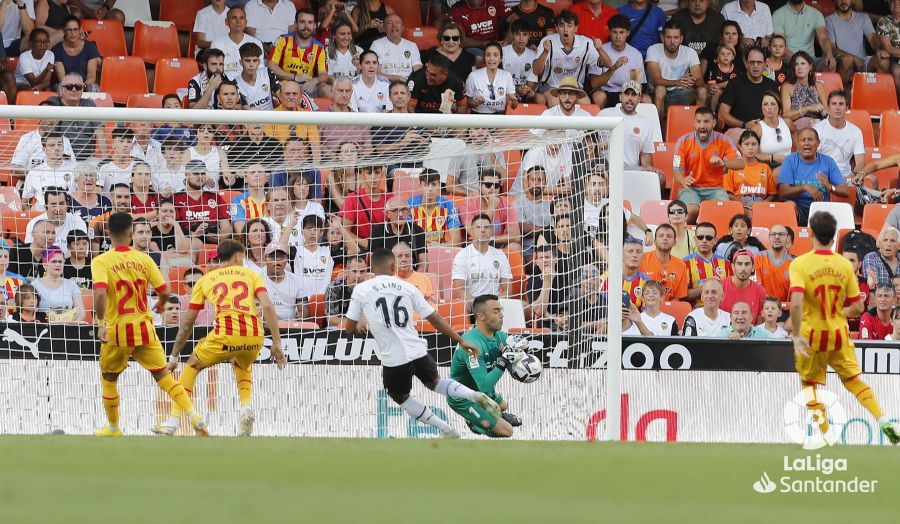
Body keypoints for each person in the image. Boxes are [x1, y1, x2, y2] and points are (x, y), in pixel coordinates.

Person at [346, 249, 500, 439]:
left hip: (394, 358)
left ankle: (446, 429)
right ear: (393, 267)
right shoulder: (408, 288)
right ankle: (473, 395)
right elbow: (434, 318)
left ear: (371, 268)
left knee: (399, 396)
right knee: (435, 382)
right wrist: (460, 340)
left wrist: (363, 322)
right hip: (418, 350)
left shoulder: (362, 289)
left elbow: (349, 329)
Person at [91, 212, 208, 437]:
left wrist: (100, 323)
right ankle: (194, 416)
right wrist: (162, 305)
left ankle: (114, 429)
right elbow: (165, 290)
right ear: (131, 234)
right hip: (144, 328)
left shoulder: (101, 261)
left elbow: (98, 294)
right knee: (164, 376)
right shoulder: (144, 259)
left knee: (109, 378)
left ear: (108, 233)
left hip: (117, 330)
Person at [154, 239, 286, 437]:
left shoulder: (206, 280)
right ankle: (245, 407)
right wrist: (276, 344)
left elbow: (188, 322)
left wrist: (173, 356)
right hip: (254, 335)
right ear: (238, 257)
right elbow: (267, 306)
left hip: (225, 334)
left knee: (191, 366)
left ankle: (173, 421)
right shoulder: (252, 275)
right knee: (242, 363)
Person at [789, 210, 899, 445]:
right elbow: (859, 306)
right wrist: (838, 313)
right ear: (834, 238)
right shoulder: (843, 264)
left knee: (810, 388)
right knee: (854, 381)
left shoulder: (800, 264)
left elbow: (796, 302)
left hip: (812, 335)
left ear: (810, 233)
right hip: (839, 334)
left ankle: (830, 437)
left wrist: (797, 333)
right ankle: (882, 420)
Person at [448, 294, 530, 438]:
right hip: (462, 397)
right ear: (481, 316)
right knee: (507, 431)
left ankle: (488, 416)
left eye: (501, 310)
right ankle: (474, 423)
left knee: (503, 406)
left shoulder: (501, 336)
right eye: (496, 311)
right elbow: (484, 386)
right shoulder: (471, 345)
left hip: (484, 395)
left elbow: (512, 369)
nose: (502, 315)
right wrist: (504, 361)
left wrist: (522, 364)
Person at [673, 107, 744, 223]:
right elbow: (676, 171)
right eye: (698, 121)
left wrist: (723, 163)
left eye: (706, 121)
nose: (702, 125)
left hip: (715, 189)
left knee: (724, 211)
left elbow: (741, 163)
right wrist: (683, 179)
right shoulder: (683, 141)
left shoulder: (724, 140)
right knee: (691, 212)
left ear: (714, 123)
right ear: (694, 123)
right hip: (690, 188)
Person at [533, 10, 611, 107]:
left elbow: (608, 64)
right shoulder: (548, 41)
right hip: (550, 86)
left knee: (585, 104)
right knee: (556, 103)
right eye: (561, 26)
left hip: (575, 87)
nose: (565, 30)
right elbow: (536, 71)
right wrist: (545, 52)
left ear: (576, 28)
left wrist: (600, 49)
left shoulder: (586, 43)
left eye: (569, 26)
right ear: (556, 28)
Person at [777, 128, 849, 225]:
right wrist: (805, 187)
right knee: (789, 206)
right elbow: (782, 192)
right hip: (798, 210)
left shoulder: (828, 162)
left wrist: (829, 186)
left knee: (848, 210)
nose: (806, 143)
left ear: (818, 143)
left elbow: (845, 191)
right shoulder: (790, 161)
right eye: (803, 140)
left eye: (810, 139)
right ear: (798, 144)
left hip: (821, 211)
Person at [717, 48, 780, 141]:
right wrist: (743, 125)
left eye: (759, 62)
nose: (755, 66)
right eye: (752, 62)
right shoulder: (734, 84)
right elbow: (722, 114)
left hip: (765, 132)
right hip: (739, 131)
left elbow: (779, 113)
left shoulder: (772, 85)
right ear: (746, 63)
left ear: (765, 64)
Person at [646, 20, 704, 114]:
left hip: (681, 92)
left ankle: (699, 126)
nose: (672, 41)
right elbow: (656, 80)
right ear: (663, 38)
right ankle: (658, 127)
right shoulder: (653, 50)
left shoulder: (690, 52)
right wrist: (678, 82)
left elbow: (700, 80)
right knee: (660, 89)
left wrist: (691, 81)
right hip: (659, 93)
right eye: (668, 37)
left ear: (681, 39)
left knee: (702, 91)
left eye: (676, 37)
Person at [597, 81, 656, 172]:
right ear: (620, 96)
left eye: (634, 95)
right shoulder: (604, 114)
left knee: (660, 178)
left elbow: (645, 156)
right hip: (605, 168)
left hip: (630, 170)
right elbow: (589, 143)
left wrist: (648, 168)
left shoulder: (646, 123)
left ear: (639, 98)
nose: (630, 98)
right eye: (627, 94)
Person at [268, 9, 328, 97]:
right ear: (295, 24)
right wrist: (295, 77)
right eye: (302, 22)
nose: (306, 26)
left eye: (310, 22)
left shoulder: (319, 47)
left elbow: (324, 75)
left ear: (314, 25)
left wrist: (315, 81)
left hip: (307, 86)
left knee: (326, 90)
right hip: (284, 85)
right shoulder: (283, 40)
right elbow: (271, 66)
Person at [452, 214, 512, 301]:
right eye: (478, 227)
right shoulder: (462, 256)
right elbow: (460, 291)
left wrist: (495, 304)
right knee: (464, 305)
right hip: (472, 304)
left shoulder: (500, 255)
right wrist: (480, 305)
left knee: (524, 307)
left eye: (486, 227)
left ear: (491, 231)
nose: (483, 230)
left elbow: (508, 289)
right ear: (471, 231)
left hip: (495, 304)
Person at [828, 0, 888, 87]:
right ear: (834, 1)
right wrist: (854, 58)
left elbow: (872, 37)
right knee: (847, 59)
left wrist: (879, 50)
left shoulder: (863, 17)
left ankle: (877, 92)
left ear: (852, 1)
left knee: (883, 60)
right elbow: (832, 48)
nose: (843, 1)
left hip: (863, 61)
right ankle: (842, 93)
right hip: (841, 62)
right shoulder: (829, 20)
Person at [590, 15, 646, 108]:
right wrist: (614, 68)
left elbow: (637, 84)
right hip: (605, 92)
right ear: (609, 32)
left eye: (622, 32)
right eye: (615, 32)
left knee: (646, 99)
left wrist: (627, 95)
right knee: (599, 97)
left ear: (628, 33)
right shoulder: (600, 50)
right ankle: (599, 123)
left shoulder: (635, 54)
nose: (618, 36)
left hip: (627, 93)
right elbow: (594, 84)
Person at [49, 72, 106, 160]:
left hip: (87, 160)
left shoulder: (88, 104)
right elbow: (44, 131)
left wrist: (106, 160)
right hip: (59, 159)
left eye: (78, 87)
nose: (74, 89)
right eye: (69, 86)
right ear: (61, 88)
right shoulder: (53, 103)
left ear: (83, 89)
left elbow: (100, 134)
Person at [172, 160, 233, 244]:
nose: (200, 177)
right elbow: (172, 226)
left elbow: (226, 226)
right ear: (186, 174)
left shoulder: (215, 197)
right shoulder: (175, 198)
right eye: (196, 173)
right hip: (187, 243)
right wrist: (193, 235)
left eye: (203, 173)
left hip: (214, 244)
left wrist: (220, 237)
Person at [813, 90, 866, 181]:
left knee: (872, 179)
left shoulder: (855, 131)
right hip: (822, 175)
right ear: (828, 107)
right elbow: (814, 158)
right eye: (834, 104)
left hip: (847, 175)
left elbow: (860, 161)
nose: (837, 108)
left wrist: (854, 175)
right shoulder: (817, 129)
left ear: (846, 108)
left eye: (841, 104)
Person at [459, 170, 520, 249]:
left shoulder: (506, 204)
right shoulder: (467, 205)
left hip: (497, 243)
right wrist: (492, 207)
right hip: (475, 246)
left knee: (515, 246)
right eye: (488, 185)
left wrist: (491, 239)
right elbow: (475, 233)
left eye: (496, 185)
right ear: (480, 185)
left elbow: (516, 236)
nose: (492, 188)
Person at [773, 0, 837, 72]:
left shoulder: (816, 14)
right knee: (798, 66)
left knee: (830, 65)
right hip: (788, 58)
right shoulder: (778, 14)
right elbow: (780, 44)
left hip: (810, 58)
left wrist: (829, 54)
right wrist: (798, 61)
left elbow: (823, 38)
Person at [723, 130, 777, 213]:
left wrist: (762, 204)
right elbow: (727, 194)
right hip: (739, 203)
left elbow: (772, 194)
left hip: (760, 204)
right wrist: (744, 202)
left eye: (754, 144)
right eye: (746, 144)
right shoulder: (732, 167)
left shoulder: (765, 168)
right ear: (740, 147)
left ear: (758, 146)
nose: (750, 147)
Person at [22, 131, 76, 212]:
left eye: (60, 144)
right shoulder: (34, 173)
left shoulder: (75, 170)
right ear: (44, 149)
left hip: (68, 216)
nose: (57, 148)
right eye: (52, 145)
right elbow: (25, 204)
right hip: (43, 218)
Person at [24, 188, 89, 256]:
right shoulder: (34, 224)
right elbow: (30, 254)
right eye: (53, 205)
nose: (58, 209)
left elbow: (83, 254)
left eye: (61, 204)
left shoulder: (77, 222)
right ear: (46, 207)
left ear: (67, 205)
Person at [408, 169, 463, 247]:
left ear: (439, 185)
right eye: (426, 185)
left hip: (440, 252)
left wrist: (440, 246)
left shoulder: (448, 205)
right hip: (417, 250)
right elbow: (407, 238)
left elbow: (457, 241)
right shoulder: (410, 204)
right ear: (420, 185)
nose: (430, 189)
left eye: (434, 184)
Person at [684, 222, 732, 304]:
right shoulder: (685, 264)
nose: (704, 241)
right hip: (696, 313)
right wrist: (708, 286)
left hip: (721, 312)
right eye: (700, 237)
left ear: (715, 240)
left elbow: (732, 291)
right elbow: (683, 295)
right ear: (695, 239)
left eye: (708, 238)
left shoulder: (726, 264)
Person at [33, 245, 84, 322]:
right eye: (54, 261)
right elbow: (31, 312)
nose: (58, 264)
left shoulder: (71, 284)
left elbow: (81, 312)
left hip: (69, 328)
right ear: (44, 264)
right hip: (44, 328)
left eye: (60, 261)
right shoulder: (35, 285)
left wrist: (72, 325)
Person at [210, 6, 265, 76]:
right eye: (234, 18)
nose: (238, 21)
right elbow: (215, 70)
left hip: (249, 83)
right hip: (225, 84)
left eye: (241, 18)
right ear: (226, 22)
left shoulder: (256, 43)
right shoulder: (217, 44)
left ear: (246, 22)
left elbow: (260, 71)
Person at [640, 224, 689, 301]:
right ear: (655, 241)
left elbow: (677, 297)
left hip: (669, 310)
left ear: (674, 242)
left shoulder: (681, 265)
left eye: (669, 236)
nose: (665, 238)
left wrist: (665, 310)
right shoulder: (642, 259)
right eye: (661, 236)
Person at [465, 41, 517, 114]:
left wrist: (513, 102)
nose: (491, 58)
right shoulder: (473, 76)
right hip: (478, 118)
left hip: (499, 118)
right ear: (484, 57)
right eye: (488, 55)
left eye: (495, 55)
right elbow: (468, 102)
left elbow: (512, 101)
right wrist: (475, 103)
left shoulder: (507, 76)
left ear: (501, 58)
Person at [368, 13, 422, 82]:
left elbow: (418, 70)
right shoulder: (377, 45)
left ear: (402, 28)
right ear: (384, 28)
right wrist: (398, 78)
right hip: (385, 85)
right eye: (390, 23)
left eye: (397, 22)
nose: (394, 25)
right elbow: (375, 72)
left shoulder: (412, 45)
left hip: (407, 86)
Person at [781, 51, 828, 129]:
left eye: (803, 63)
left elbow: (827, 110)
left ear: (810, 67)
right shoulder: (787, 87)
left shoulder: (818, 86)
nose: (799, 67)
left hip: (818, 124)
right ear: (793, 68)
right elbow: (786, 115)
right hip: (799, 126)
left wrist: (824, 111)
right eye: (796, 64)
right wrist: (808, 108)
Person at [512, 166, 553, 257]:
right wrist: (547, 231)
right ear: (527, 181)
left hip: (551, 247)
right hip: (530, 248)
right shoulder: (518, 203)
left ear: (545, 182)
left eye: (540, 180)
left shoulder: (551, 204)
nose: (536, 183)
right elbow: (522, 228)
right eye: (533, 179)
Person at [52, 16, 100, 90]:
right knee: (59, 88)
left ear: (80, 30)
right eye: (69, 30)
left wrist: (81, 87)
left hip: (85, 85)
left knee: (94, 87)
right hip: (65, 85)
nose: (73, 33)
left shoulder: (90, 47)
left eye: (75, 29)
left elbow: (91, 77)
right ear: (64, 31)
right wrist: (72, 88)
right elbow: (62, 79)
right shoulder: (57, 49)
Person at [262, 242, 305, 321]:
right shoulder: (257, 279)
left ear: (287, 259)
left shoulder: (296, 280)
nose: (277, 261)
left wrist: (301, 316)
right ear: (265, 259)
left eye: (281, 257)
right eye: (272, 257)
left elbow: (304, 311)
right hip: (264, 327)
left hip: (290, 329)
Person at [748, 92, 793, 167]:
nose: (769, 107)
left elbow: (798, 143)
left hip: (789, 165)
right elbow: (751, 154)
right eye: (765, 104)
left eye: (773, 104)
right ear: (762, 108)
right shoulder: (757, 128)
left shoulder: (787, 122)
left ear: (779, 107)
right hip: (768, 168)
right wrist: (772, 157)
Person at [720, 249, 767, 319]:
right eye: (739, 264)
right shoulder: (720, 286)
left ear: (753, 268)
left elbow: (759, 321)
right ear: (733, 267)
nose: (743, 268)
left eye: (747, 264)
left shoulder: (760, 291)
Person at [325, 255, 367, 328]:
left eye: (362, 271)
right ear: (347, 272)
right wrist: (355, 322)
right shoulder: (334, 287)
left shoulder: (370, 289)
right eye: (354, 271)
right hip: (337, 329)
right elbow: (331, 319)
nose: (358, 276)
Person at [755, 224, 794, 301]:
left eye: (781, 234)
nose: (777, 237)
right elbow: (756, 288)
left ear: (787, 239)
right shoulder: (757, 258)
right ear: (769, 238)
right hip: (763, 307)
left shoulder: (794, 264)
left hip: (785, 309)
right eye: (773, 234)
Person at [502, 20, 539, 103]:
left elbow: (531, 84)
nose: (521, 39)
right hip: (506, 92)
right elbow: (499, 81)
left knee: (537, 97)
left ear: (529, 36)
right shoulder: (503, 52)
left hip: (524, 94)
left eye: (524, 34)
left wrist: (529, 91)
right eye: (517, 34)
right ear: (512, 35)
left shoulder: (533, 55)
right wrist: (516, 89)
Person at [233, 43, 275, 111]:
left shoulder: (267, 72)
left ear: (259, 62)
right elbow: (244, 107)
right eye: (247, 61)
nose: (251, 65)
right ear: (241, 62)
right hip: (251, 120)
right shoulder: (235, 83)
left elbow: (281, 95)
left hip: (272, 120)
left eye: (255, 60)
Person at [877, 0, 900, 102]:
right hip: (894, 60)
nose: (896, 4)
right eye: (893, 1)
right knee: (897, 71)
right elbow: (887, 48)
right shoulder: (884, 21)